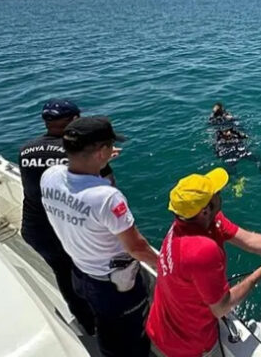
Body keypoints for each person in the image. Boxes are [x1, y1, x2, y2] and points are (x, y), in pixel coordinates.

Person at [146, 169, 261, 357]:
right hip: (187, 345)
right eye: (215, 193)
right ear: (205, 210)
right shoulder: (201, 249)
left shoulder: (189, 222)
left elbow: (249, 240)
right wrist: (259, 274)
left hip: (161, 323)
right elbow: (221, 308)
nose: (220, 194)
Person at [40, 116, 158, 357]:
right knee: (126, 340)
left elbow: (79, 189)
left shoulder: (50, 175)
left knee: (105, 324)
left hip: (80, 273)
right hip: (114, 287)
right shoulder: (107, 198)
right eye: (108, 146)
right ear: (102, 151)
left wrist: (99, 162)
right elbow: (136, 248)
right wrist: (166, 267)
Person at [19, 98, 117, 334]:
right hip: (64, 228)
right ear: (74, 120)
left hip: (34, 228)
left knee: (62, 273)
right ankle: (104, 322)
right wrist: (103, 159)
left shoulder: (26, 148)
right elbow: (107, 187)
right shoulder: (79, 153)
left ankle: (85, 322)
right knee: (89, 274)